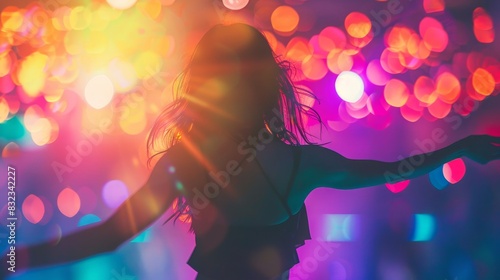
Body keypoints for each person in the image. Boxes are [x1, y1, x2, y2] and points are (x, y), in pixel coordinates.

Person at [2, 23, 499, 280]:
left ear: (201, 86)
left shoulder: (186, 165)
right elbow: (395, 168)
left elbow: (111, 236)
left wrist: (14, 260)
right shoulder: (300, 165)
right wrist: (462, 148)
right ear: (267, 88)